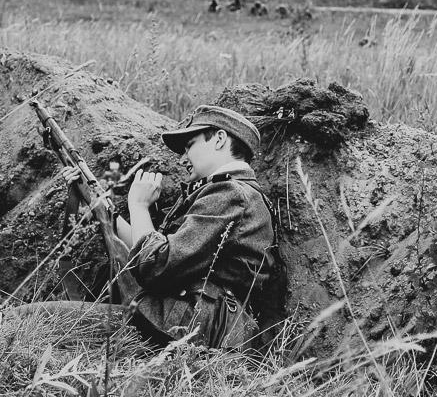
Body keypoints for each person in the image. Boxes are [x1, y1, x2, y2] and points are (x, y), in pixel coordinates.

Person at [61, 105, 280, 351]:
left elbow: (154, 264)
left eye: (189, 146)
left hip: (182, 327)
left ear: (219, 139)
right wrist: (96, 203)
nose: (182, 159)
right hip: (180, 324)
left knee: (36, 317)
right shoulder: (227, 192)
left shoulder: (230, 194)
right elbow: (141, 251)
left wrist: (139, 206)